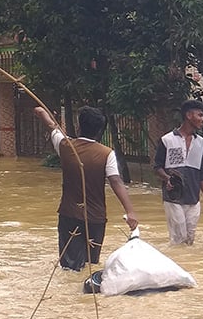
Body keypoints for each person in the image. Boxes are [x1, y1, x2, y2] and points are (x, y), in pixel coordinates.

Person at [34, 106, 139, 271]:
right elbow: (116, 182)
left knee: (70, 268)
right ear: (100, 132)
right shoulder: (107, 153)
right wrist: (130, 211)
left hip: (69, 216)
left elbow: (52, 127)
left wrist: (42, 113)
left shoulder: (65, 146)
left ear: (78, 127)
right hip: (96, 219)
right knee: (91, 265)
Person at [153, 100, 203, 245]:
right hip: (173, 198)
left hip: (193, 199)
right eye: (200, 115)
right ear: (189, 115)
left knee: (189, 239)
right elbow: (157, 167)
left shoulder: (201, 143)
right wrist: (167, 178)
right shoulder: (167, 140)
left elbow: (202, 174)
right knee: (178, 240)